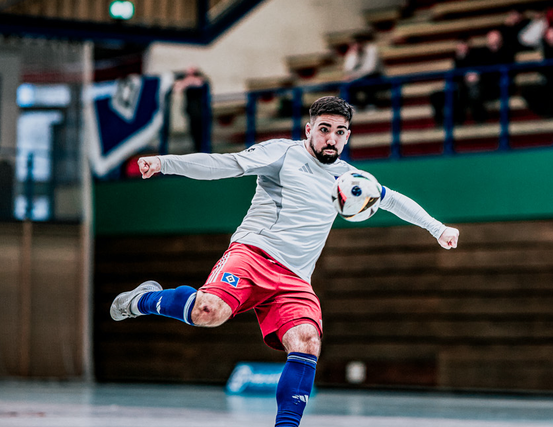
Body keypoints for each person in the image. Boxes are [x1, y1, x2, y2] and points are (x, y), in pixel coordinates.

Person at [109, 96, 460, 427]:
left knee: (307, 340)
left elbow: (392, 199)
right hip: (252, 255)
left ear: (347, 136)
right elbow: (225, 164)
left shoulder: (352, 181)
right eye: (324, 129)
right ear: (309, 129)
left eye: (339, 132)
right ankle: (142, 299)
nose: (331, 139)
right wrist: (165, 163)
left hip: (294, 280)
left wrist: (437, 228)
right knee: (208, 312)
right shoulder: (282, 153)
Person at [173, 66, 211, 153]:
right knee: (194, 133)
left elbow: (200, 83)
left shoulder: (200, 81)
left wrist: (188, 81)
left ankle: (202, 150)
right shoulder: (187, 82)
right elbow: (177, 88)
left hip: (201, 112)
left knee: (202, 134)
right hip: (192, 111)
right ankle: (198, 149)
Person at [343, 34, 385, 109]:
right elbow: (347, 68)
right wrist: (354, 55)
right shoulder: (353, 52)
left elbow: (370, 69)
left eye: (358, 43)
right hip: (358, 77)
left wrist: (354, 76)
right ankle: (353, 105)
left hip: (375, 75)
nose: (356, 45)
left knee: (368, 81)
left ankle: (371, 104)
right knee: (347, 83)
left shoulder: (372, 50)